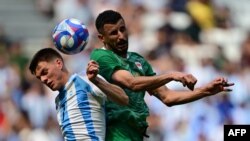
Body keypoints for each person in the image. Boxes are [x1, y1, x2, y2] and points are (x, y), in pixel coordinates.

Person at [90, 10, 234, 141]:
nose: (121, 36)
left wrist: (205, 91)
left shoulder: (138, 60)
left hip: (137, 135)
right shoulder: (101, 56)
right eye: (114, 33)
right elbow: (131, 83)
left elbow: (167, 97)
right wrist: (170, 75)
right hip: (115, 135)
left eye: (122, 29)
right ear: (102, 38)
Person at [28, 48, 129, 141]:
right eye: (39, 77)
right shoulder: (58, 100)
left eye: (44, 72)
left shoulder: (85, 79)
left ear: (59, 63)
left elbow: (123, 98)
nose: (43, 79)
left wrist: (96, 81)